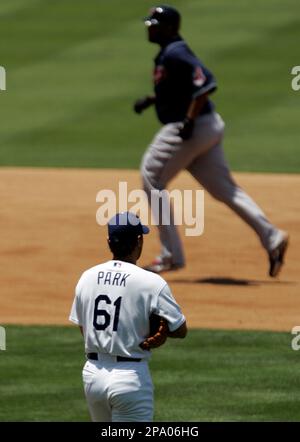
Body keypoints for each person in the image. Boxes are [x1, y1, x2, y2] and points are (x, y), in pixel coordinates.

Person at [134, 5, 289, 277]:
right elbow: (181, 89)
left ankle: (170, 255)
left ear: (170, 27)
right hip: (208, 127)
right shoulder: (170, 53)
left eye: (155, 24)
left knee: (151, 178)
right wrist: (153, 100)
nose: (150, 28)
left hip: (190, 128)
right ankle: (272, 237)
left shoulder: (176, 52)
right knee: (225, 190)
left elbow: (205, 84)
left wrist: (189, 121)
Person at [69, 211, 187, 422]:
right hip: (130, 377)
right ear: (139, 241)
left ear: (109, 242)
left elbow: (83, 327)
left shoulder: (87, 277)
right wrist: (162, 332)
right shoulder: (152, 282)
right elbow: (180, 328)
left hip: (92, 375)